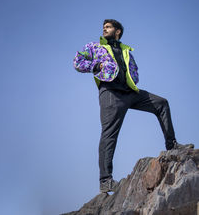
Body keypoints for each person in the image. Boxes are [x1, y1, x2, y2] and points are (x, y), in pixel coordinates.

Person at [73, 19, 194, 193]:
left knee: (162, 103)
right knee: (109, 135)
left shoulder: (126, 49)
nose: (104, 29)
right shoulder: (94, 47)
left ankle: (171, 144)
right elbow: (77, 61)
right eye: (103, 27)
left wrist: (132, 77)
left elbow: (133, 69)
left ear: (118, 31)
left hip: (130, 92)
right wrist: (96, 65)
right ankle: (105, 180)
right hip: (111, 94)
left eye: (108, 27)